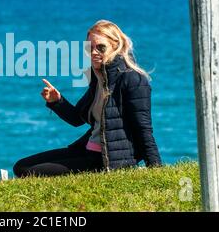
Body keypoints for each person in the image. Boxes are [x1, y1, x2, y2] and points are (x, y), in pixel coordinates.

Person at [13, 19, 162, 177]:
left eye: (100, 47)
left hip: (106, 160)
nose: (94, 52)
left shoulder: (133, 79)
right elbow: (77, 119)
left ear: (115, 46)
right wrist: (56, 101)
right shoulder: (99, 79)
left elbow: (143, 129)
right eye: (89, 48)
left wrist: (156, 170)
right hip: (86, 150)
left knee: (27, 171)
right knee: (21, 166)